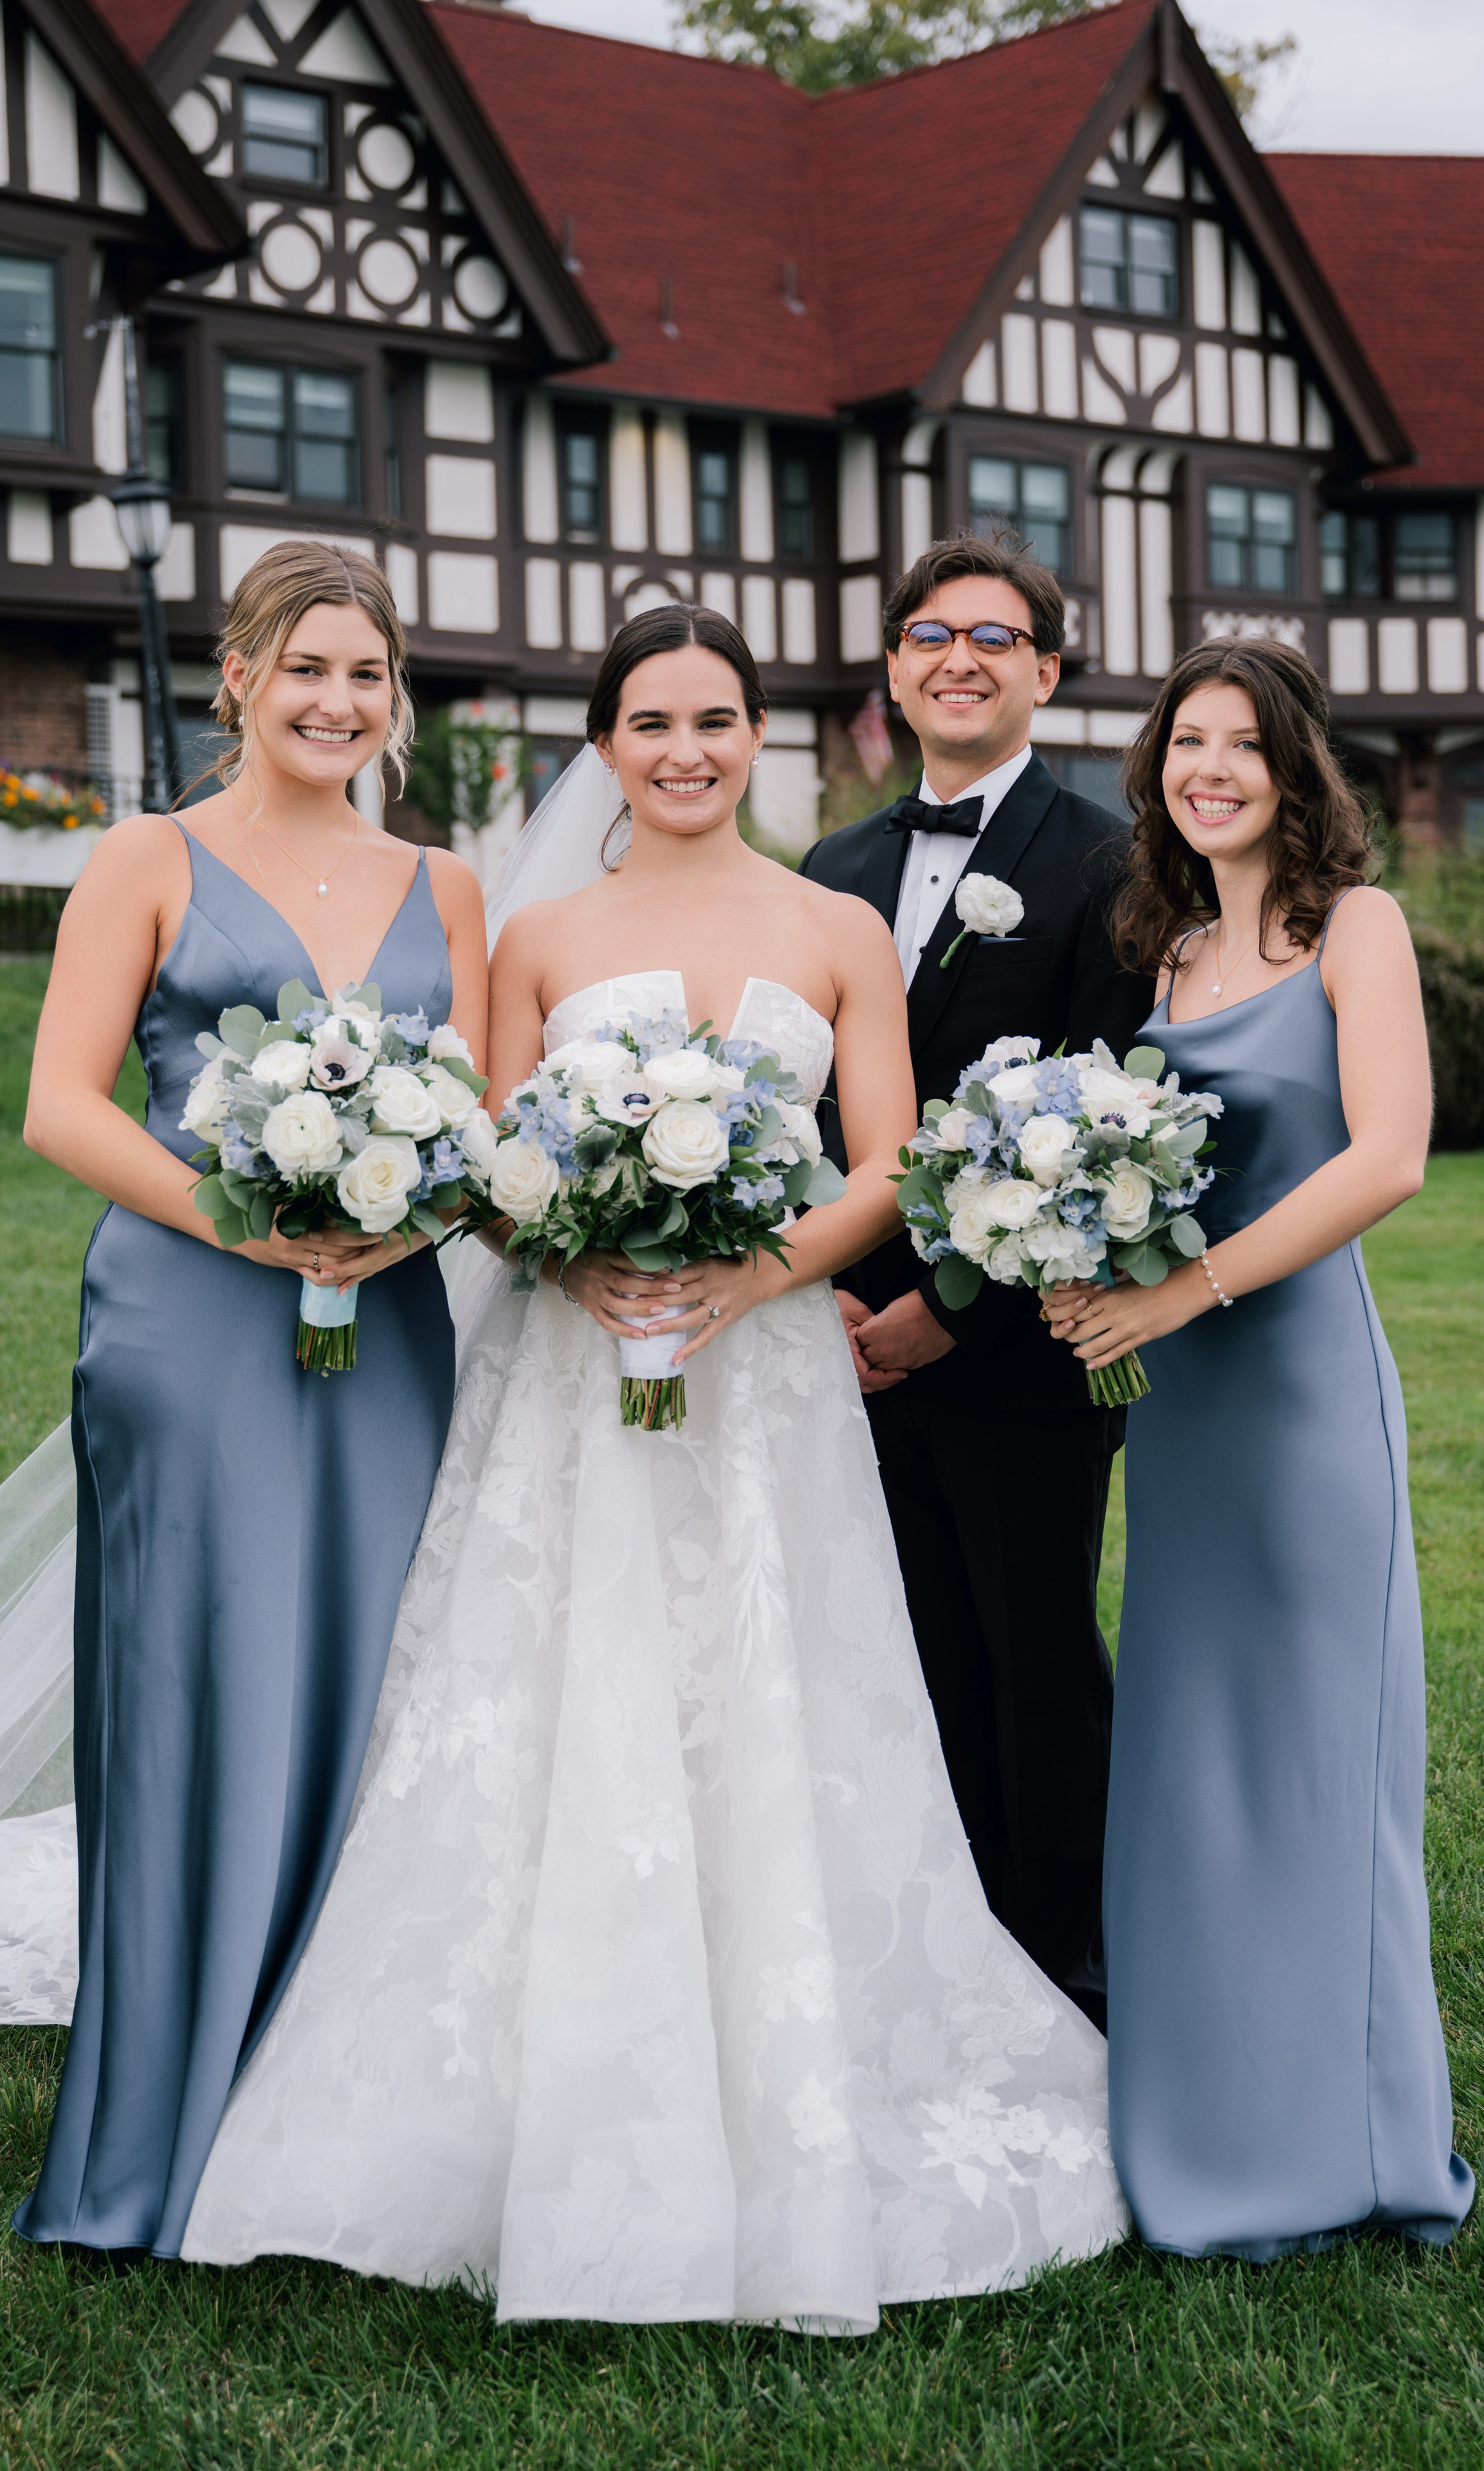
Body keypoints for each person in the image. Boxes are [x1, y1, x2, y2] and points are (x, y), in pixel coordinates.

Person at [177, 605, 1128, 2328]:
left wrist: (750, 1277)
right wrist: (577, 1255)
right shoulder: (538, 932)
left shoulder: (837, 924)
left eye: (717, 717)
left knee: (778, 1700)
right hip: (571, 1379)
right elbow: (485, 1157)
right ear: (603, 745)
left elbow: (893, 1164)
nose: (686, 748)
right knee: (569, 1684)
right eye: (651, 721)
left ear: (759, 734)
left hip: (764, 1380)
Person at [0, 541, 484, 2255]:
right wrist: (251, 1222)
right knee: (196, 1679)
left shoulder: (447, 887)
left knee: (374, 1682)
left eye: (366, 673)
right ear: (242, 679)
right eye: (307, 668)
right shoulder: (150, 856)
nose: (337, 702)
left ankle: (331, 2112)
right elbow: (63, 1104)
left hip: (388, 1323)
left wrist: (403, 1215)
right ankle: (157, 2120)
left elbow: (476, 1132)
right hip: (192, 1318)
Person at [1044, 637, 1474, 2258]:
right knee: (1194, 1762)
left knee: (1316, 1761)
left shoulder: (1348, 928)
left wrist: (1190, 1288)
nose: (1204, 769)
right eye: (1182, 745)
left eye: (1240, 745)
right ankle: (1211, 2118)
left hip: (1291, 1398)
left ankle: (1354, 2143)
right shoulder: (1161, 951)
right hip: (1182, 1417)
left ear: (1295, 772)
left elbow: (1392, 1157)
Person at [800, 535, 1153, 2029]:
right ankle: (928, 1955)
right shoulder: (830, 872)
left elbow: (1102, 1114)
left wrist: (942, 1309)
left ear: (1044, 673)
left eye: (994, 638)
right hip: (833, 1343)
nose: (959, 658)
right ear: (892, 666)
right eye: (930, 635)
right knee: (892, 1650)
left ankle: (1067, 1963)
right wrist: (820, 1289)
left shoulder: (1111, 863)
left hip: (1013, 1349)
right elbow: (796, 1099)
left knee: (1030, 1659)